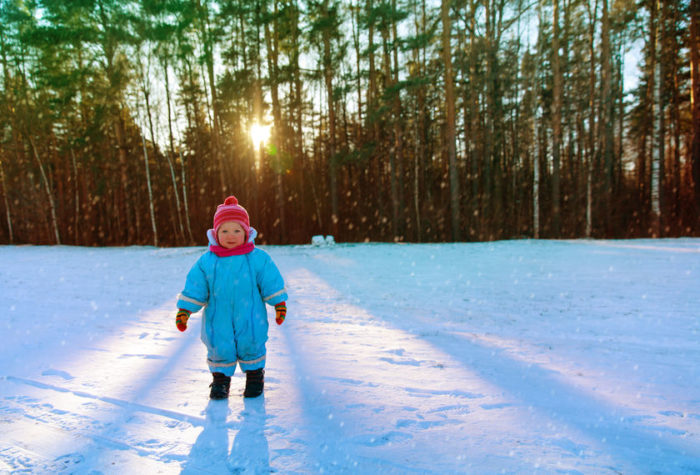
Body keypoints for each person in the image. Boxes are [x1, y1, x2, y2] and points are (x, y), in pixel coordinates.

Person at [175, 196, 287, 399]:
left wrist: (279, 303)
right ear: (215, 234)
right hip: (219, 317)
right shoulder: (207, 261)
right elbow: (196, 287)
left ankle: (254, 376)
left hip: (250, 314)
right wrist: (185, 310)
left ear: (246, 232)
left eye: (237, 230)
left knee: (252, 341)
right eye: (224, 231)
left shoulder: (257, 258)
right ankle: (220, 380)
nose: (231, 235)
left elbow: (271, 281)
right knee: (219, 344)